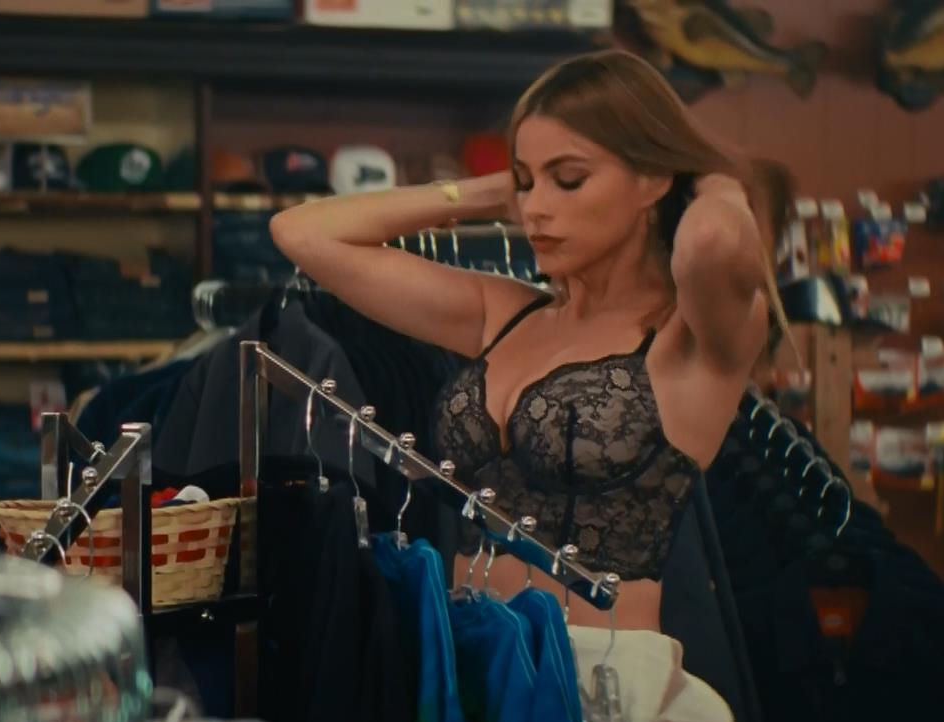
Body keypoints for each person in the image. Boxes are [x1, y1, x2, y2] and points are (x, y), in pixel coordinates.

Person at [269, 50, 786, 633]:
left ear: (652, 179)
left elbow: (712, 239)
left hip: (601, 676)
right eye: (526, 182)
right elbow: (301, 233)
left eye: (568, 180)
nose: (535, 208)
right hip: (471, 654)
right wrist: (487, 193)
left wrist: (712, 177)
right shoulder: (506, 313)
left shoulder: (688, 338)